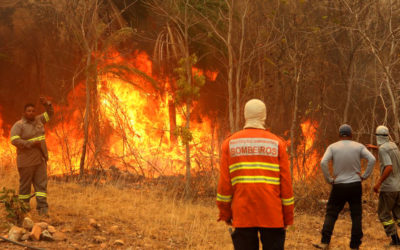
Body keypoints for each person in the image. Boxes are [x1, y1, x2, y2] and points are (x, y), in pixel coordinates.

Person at [216, 99, 294, 250]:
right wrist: (287, 216)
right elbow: (286, 185)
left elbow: (224, 186)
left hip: (243, 213)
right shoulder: (277, 144)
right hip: (272, 215)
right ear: (264, 116)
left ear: (245, 115)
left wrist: (225, 213)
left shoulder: (230, 144)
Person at [313, 124, 376, 250]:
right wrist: (364, 176)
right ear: (351, 134)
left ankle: (325, 242)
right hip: (355, 185)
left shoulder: (333, 147)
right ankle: (355, 245)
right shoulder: (358, 146)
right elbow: (372, 159)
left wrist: (329, 179)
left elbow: (323, 162)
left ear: (339, 135)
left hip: (339, 185)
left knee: (331, 213)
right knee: (356, 215)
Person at [10, 97, 54, 216]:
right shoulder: (19, 125)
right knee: (25, 188)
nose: (31, 113)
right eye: (28, 111)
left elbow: (50, 114)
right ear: (24, 113)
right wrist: (29, 144)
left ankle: (43, 210)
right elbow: (14, 140)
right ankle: (23, 211)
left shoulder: (39, 120)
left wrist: (47, 104)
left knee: (41, 186)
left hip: (40, 160)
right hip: (26, 161)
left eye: (33, 111)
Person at [372, 125, 400, 246]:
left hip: (389, 188)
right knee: (398, 214)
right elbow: (386, 151)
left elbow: (388, 167)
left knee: (383, 214)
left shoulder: (383, 149)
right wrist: (375, 148)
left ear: (377, 136)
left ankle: (395, 240)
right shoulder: (393, 145)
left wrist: (378, 183)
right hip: (398, 186)